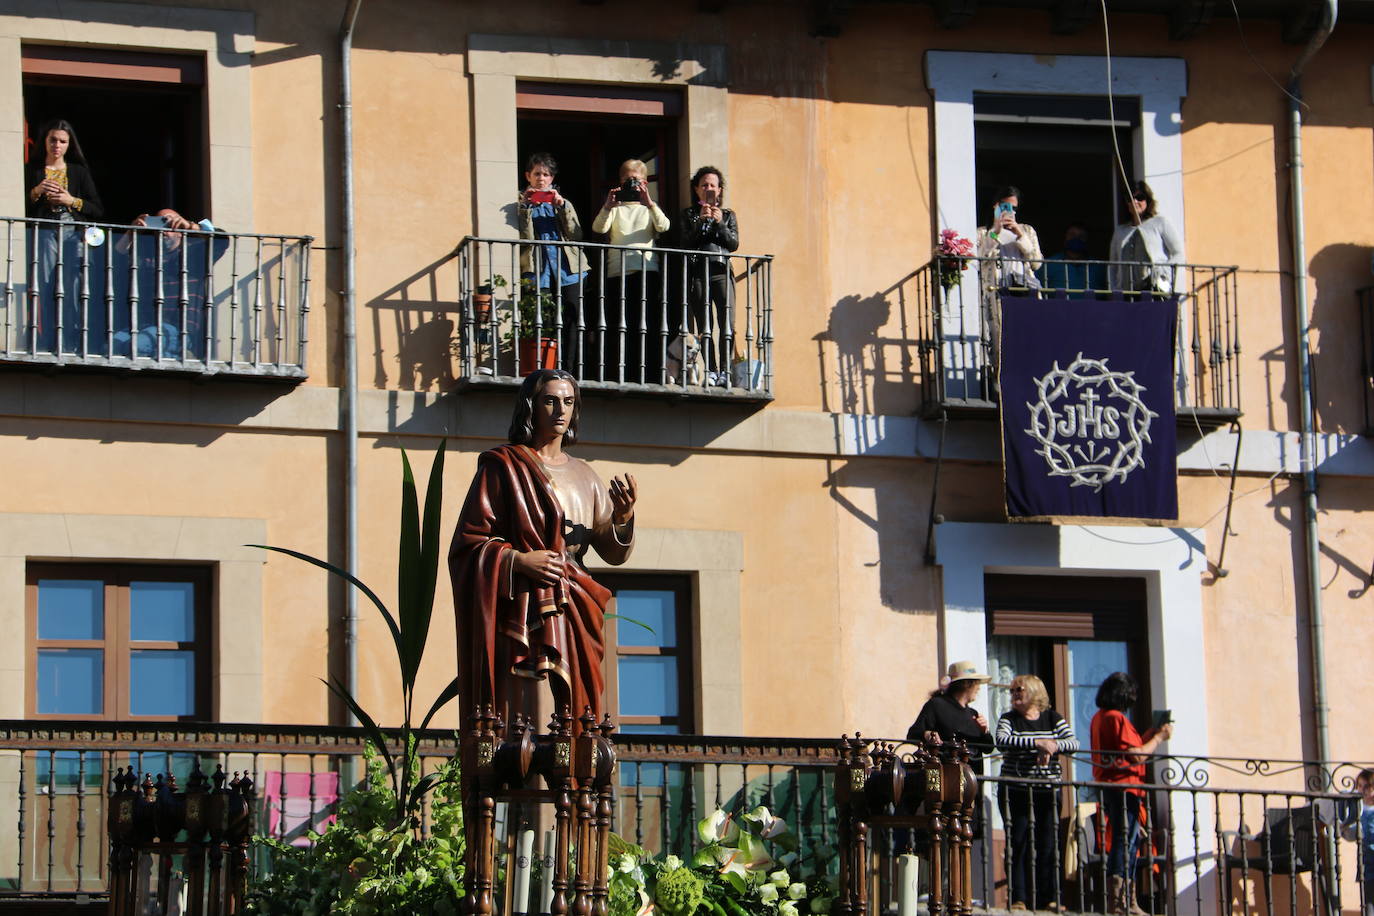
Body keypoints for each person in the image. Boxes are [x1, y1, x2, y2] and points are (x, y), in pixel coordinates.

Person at [449, 369, 638, 723]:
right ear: (530, 407)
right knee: (517, 693)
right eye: (550, 401)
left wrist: (623, 518)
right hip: (522, 598)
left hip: (575, 595)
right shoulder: (504, 467)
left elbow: (612, 553)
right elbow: (469, 543)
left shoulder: (586, 476)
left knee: (578, 693)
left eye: (568, 402)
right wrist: (518, 561)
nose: (560, 411)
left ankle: (579, 753)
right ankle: (505, 752)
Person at [1090, 672, 1172, 916]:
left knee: (1126, 840)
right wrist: (1159, 738)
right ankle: (1122, 902)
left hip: (1110, 785)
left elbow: (1128, 749)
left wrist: (1148, 735)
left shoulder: (1100, 717)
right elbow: (1136, 756)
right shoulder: (1116, 718)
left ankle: (1127, 901)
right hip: (1123, 787)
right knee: (1125, 841)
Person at [995, 674, 1079, 912]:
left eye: (1018, 689)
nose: (1014, 694)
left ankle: (1050, 898)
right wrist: (1039, 743)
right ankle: (1018, 897)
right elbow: (1002, 741)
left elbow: (1073, 743)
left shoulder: (1053, 718)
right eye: (1012, 691)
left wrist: (1052, 745)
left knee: (1048, 843)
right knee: (1017, 842)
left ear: (1033, 691)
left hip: (1047, 791)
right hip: (1015, 790)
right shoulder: (1008, 719)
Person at [25, 119, 104, 354]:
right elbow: (17, 204)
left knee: (73, 287)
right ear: (45, 142)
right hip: (45, 233)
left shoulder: (79, 172)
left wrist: (71, 201)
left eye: (62, 141)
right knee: (47, 285)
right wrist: (36, 191)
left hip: (73, 234)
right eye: (53, 140)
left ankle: (74, 339)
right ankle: (48, 339)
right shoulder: (32, 170)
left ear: (70, 145)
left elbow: (97, 209)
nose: (56, 145)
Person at [591, 159, 670, 384]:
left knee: (646, 326)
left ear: (645, 182)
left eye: (635, 181)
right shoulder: (615, 209)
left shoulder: (649, 208)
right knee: (621, 326)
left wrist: (649, 202)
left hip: (647, 273)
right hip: (618, 274)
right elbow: (599, 228)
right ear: (619, 182)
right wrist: (608, 205)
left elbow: (664, 226)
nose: (631, 185)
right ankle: (621, 374)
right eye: (627, 181)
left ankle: (648, 374)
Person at [517, 153, 589, 364]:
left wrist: (562, 207)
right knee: (544, 317)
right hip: (539, 267)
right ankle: (545, 366)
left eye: (546, 174)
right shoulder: (520, 203)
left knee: (572, 316)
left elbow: (576, 235)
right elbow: (525, 238)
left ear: (552, 178)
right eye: (537, 173)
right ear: (528, 176)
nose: (541, 178)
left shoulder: (562, 202)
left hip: (569, 267)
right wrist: (525, 207)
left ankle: (570, 367)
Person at [677, 166, 739, 381]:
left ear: (719, 190)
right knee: (705, 326)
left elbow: (733, 243)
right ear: (696, 189)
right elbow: (685, 243)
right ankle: (711, 370)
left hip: (721, 271)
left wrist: (719, 223)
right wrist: (700, 222)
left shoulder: (729, 215)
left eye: (713, 185)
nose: (708, 189)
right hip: (698, 273)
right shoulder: (689, 215)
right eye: (704, 185)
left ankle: (725, 371)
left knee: (727, 324)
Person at [907, 659, 996, 774]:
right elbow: (913, 734)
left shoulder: (974, 714)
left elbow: (988, 749)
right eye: (976, 682)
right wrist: (927, 734)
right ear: (967, 684)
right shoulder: (937, 705)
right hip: (945, 777)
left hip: (973, 780)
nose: (978, 688)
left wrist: (985, 732)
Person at [1108, 181, 1185, 295]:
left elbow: (1179, 254)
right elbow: (1113, 265)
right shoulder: (1120, 231)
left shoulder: (1160, 223)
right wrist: (1115, 291)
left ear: (1147, 200)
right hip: (1126, 294)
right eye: (1130, 198)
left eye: (1139, 197)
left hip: (1154, 291)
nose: (1135, 201)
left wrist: (1162, 272)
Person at [1340, 768, 1374, 916]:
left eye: (1366, 786)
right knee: (1369, 905)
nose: (1362, 790)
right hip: (1368, 865)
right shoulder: (1358, 809)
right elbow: (1351, 834)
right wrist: (1345, 827)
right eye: (1359, 785)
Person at [1041, 223, 1106, 299]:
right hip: (1057, 308)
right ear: (1065, 238)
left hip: (1092, 309)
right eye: (1072, 235)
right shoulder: (1049, 264)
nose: (1076, 238)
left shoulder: (1099, 266)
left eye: (1081, 236)